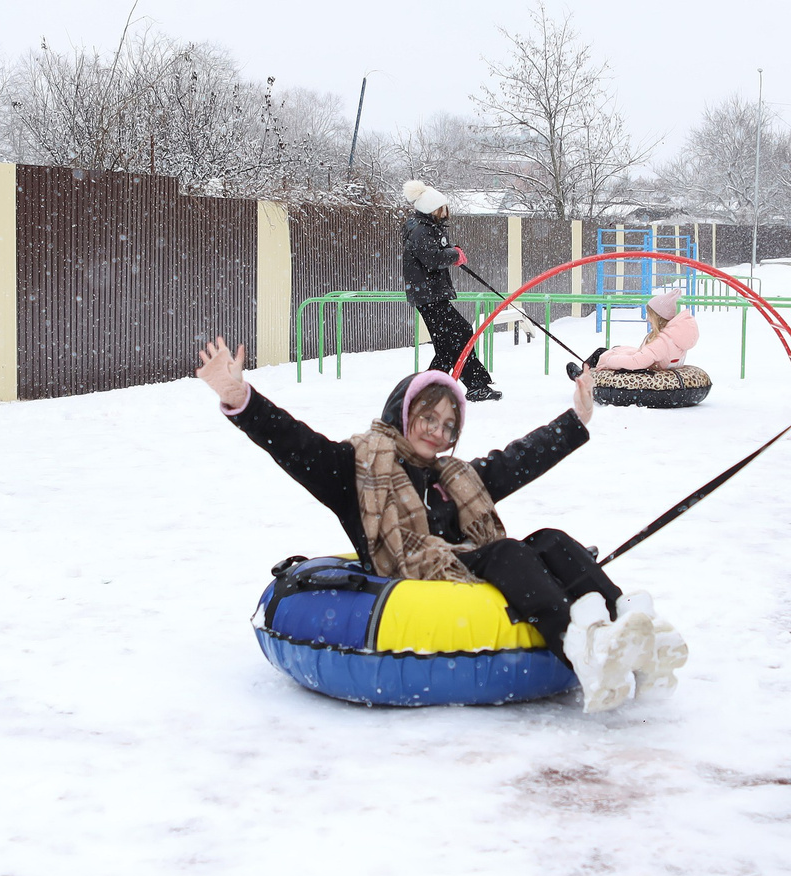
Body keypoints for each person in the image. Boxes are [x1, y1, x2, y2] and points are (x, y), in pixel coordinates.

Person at [194, 337, 685, 710]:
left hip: (466, 570)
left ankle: (633, 632)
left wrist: (574, 419)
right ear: (403, 414)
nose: (439, 431)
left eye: (450, 425)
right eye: (429, 417)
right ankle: (579, 646)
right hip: (418, 578)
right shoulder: (357, 469)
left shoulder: (455, 477)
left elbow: (517, 460)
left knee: (551, 541)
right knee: (507, 552)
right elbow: (295, 443)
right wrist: (243, 400)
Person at [400, 180, 499, 401]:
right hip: (429, 295)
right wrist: (453, 254)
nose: (446, 211)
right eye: (443, 207)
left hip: (429, 294)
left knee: (448, 345)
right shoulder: (421, 230)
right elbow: (433, 258)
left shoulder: (425, 228)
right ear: (433, 208)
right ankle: (474, 385)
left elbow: (436, 254)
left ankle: (430, 390)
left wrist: (452, 252)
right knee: (460, 333)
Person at [567, 286, 701, 377]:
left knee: (601, 353)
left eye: (650, 315)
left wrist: (609, 361)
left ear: (658, 318)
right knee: (612, 349)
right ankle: (588, 369)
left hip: (644, 369)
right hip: (652, 362)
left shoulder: (661, 342)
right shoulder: (675, 337)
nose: (647, 319)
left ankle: (584, 376)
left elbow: (636, 362)